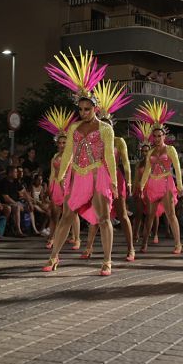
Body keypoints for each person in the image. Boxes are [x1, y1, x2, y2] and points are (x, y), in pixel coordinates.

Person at [43, 49, 118, 275]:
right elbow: (68, 154)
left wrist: (114, 181)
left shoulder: (105, 128)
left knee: (104, 219)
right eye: (81, 109)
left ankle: (106, 261)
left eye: (87, 109)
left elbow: (109, 157)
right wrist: (62, 174)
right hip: (78, 175)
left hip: (98, 175)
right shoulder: (74, 128)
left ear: (94, 108)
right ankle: (54, 256)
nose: (83, 112)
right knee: (67, 216)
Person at [80, 81, 135, 262]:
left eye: (108, 124)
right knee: (96, 215)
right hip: (96, 177)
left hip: (115, 178)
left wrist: (128, 181)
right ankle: (88, 247)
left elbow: (125, 164)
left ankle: (130, 249)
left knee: (122, 214)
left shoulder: (118, 141)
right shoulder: (92, 138)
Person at [138, 100, 183, 255]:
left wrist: (179, 185)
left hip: (166, 183)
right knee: (150, 215)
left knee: (171, 214)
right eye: (155, 136)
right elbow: (146, 171)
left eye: (159, 135)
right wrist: (142, 185)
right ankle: (144, 243)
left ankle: (178, 244)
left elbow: (177, 167)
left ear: (164, 136)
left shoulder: (170, 149)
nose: (157, 138)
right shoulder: (150, 152)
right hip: (152, 184)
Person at [40, 107, 80, 249]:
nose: (62, 145)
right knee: (54, 213)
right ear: (57, 143)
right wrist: (50, 188)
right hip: (57, 186)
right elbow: (52, 174)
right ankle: (52, 237)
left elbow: (75, 172)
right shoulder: (55, 157)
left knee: (72, 213)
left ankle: (77, 238)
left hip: (69, 185)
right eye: (60, 143)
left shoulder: (71, 156)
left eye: (64, 142)